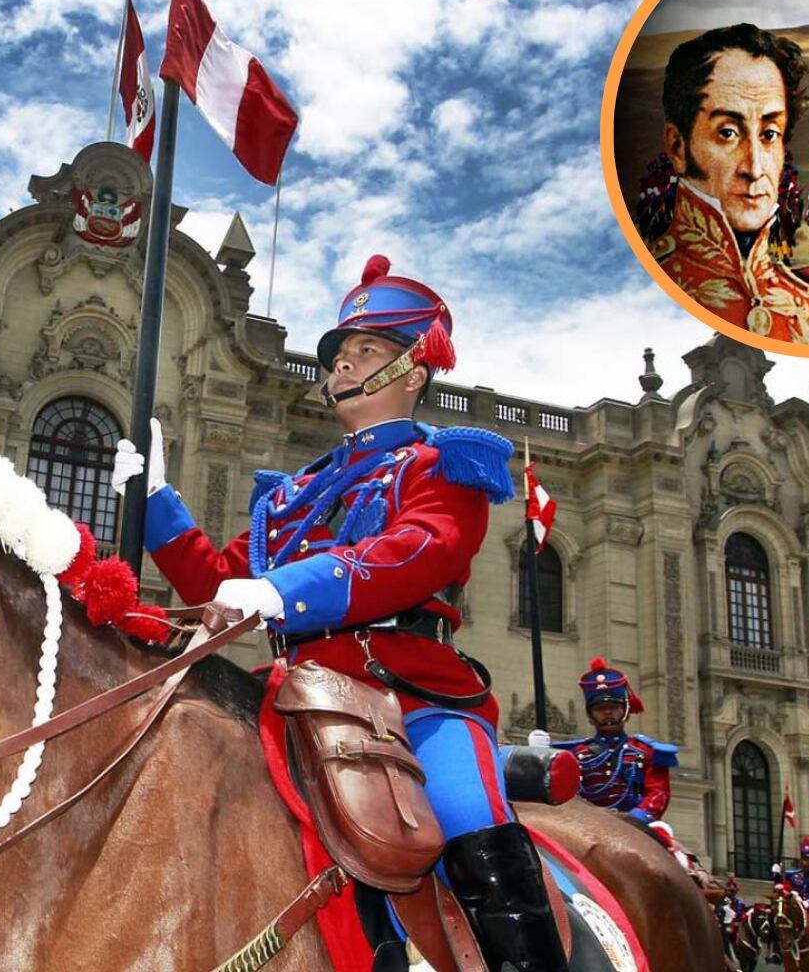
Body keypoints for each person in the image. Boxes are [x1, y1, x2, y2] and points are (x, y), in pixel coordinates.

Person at [113, 254, 565, 970]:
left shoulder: (441, 467)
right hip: (299, 693)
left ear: (412, 372)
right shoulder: (294, 493)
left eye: (366, 351)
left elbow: (419, 552)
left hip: (413, 696)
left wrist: (285, 591)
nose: (346, 364)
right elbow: (220, 579)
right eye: (343, 352)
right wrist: (158, 504)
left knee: (464, 809)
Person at [651, 24, 809, 344]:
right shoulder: (653, 285)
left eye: (769, 134)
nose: (755, 168)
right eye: (728, 133)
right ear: (678, 146)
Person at [552, 658, 674, 823]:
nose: (607, 713)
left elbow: (659, 792)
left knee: (674, 849)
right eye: (600, 709)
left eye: (614, 708)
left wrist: (640, 816)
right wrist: (539, 752)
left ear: (626, 711)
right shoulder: (574, 753)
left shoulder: (646, 751)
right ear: (590, 715)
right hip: (587, 824)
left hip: (637, 823)